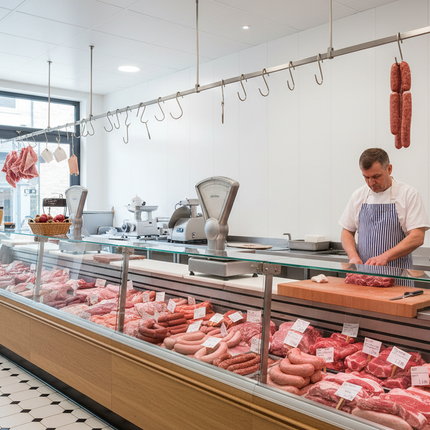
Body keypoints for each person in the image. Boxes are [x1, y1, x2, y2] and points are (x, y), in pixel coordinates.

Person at [339, 148, 429, 283]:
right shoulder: (359, 195)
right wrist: (353, 257)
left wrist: (385, 257)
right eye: (366, 177)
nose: (371, 182)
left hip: (398, 281)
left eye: (376, 176)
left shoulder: (408, 194)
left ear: (389, 169)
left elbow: (417, 236)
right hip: (365, 279)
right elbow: (347, 231)